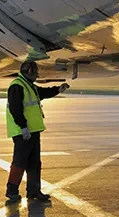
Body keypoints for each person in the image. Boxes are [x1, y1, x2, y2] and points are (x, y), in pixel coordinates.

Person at [5, 60, 70, 202]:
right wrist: (23, 127)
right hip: (22, 132)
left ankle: (34, 191)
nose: (37, 76)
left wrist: (58, 89)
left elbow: (42, 92)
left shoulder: (29, 86)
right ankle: (12, 191)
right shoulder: (17, 86)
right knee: (19, 163)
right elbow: (15, 109)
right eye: (35, 73)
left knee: (34, 163)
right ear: (29, 72)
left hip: (33, 131)